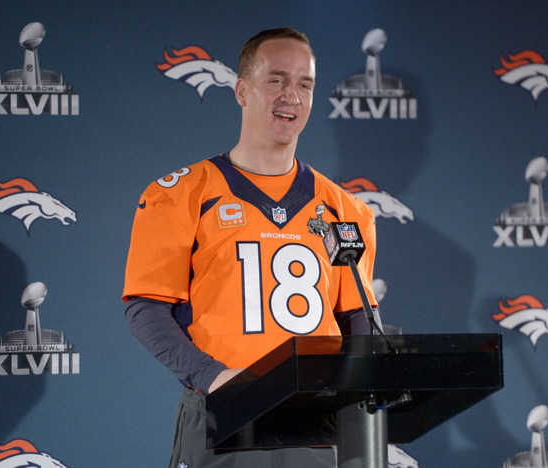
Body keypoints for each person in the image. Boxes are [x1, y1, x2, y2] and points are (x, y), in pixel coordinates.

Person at [123, 27, 380, 468]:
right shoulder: (183, 193)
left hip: (317, 423)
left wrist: (360, 391)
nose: (291, 96)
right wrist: (214, 377)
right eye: (276, 80)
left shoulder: (346, 209)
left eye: (305, 84)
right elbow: (146, 307)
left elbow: (357, 317)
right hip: (224, 415)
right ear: (242, 90)